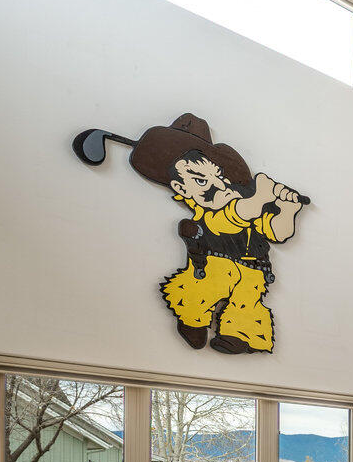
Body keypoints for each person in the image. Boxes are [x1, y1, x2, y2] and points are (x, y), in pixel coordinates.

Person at [126, 114, 305, 354]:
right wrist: (260, 196)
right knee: (199, 293)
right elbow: (236, 215)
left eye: (219, 177)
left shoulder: (245, 206)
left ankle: (237, 336)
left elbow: (278, 232)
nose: (218, 186)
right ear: (180, 188)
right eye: (201, 180)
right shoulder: (213, 211)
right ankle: (192, 322)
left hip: (253, 271)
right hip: (213, 264)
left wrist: (288, 210)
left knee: (248, 305)